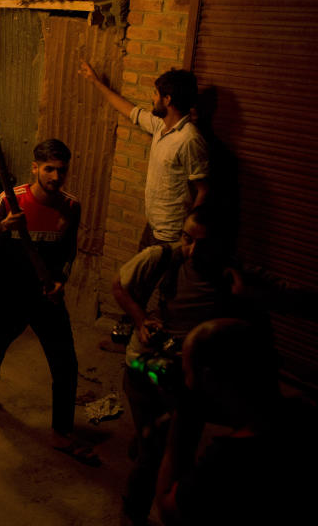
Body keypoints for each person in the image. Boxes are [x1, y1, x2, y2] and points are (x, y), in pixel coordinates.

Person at [112, 205, 244, 525]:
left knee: (181, 450)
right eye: (187, 238)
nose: (192, 249)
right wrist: (142, 321)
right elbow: (119, 286)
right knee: (155, 454)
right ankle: (132, 512)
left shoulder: (229, 274)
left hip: (189, 375)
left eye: (203, 243)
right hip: (146, 366)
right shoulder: (162, 258)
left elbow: (281, 293)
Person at [0, 139, 96, 465]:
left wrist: (61, 281)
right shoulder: (10, 200)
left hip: (47, 298)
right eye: (49, 169)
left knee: (66, 365)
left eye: (61, 170)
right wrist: (3, 227)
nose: (56, 176)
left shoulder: (70, 206)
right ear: (35, 168)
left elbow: (69, 251)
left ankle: (61, 432)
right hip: (10, 294)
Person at [154, 319, 316, 525]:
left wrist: (182, 420)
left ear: (209, 378)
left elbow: (169, 509)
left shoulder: (226, 461)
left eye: (187, 373)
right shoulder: (305, 412)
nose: (185, 382)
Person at [78, 62, 209, 248]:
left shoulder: (189, 139)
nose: (152, 98)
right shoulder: (160, 126)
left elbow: (203, 189)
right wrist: (95, 81)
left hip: (171, 236)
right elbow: (130, 111)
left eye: (155, 94)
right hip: (153, 227)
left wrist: (189, 235)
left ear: (168, 99)